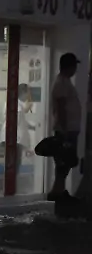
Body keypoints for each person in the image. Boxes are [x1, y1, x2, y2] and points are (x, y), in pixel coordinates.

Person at [50, 52, 83, 202]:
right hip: (65, 131)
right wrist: (63, 131)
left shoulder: (65, 82)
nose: (75, 69)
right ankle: (57, 192)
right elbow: (62, 109)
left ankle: (59, 190)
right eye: (74, 65)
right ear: (69, 67)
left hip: (69, 130)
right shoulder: (62, 83)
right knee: (64, 163)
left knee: (66, 163)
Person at [0, 83, 38, 190]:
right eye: (27, 93)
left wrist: (34, 127)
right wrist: (26, 109)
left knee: (15, 164)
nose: (28, 96)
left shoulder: (18, 104)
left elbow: (22, 121)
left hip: (15, 138)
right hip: (13, 138)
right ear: (23, 93)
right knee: (13, 164)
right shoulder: (14, 103)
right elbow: (15, 117)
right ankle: (8, 188)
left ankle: (10, 187)